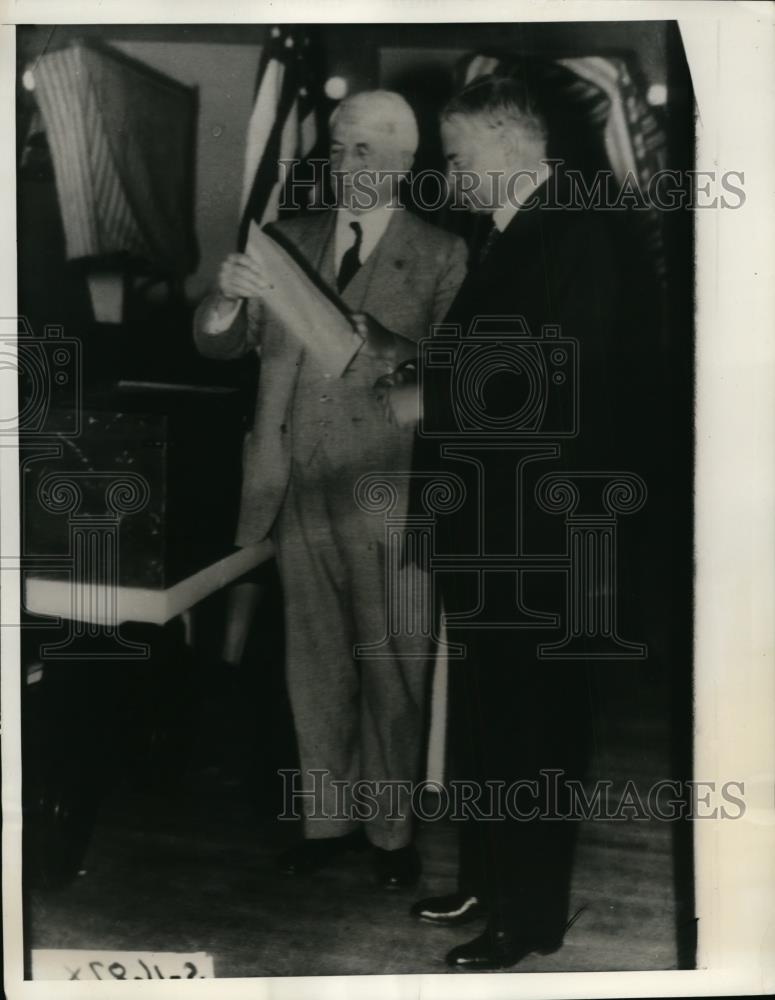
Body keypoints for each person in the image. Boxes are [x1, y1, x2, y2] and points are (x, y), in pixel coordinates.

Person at [378, 75, 658, 967]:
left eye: (457, 157)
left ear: (507, 143)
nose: (449, 176)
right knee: (490, 719)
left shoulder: (577, 228)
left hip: (540, 534)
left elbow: (567, 383)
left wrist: (434, 396)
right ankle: (489, 882)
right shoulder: (513, 233)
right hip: (494, 526)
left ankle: (527, 920)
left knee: (531, 725)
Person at [193, 90, 467, 889]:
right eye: (338, 150)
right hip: (293, 485)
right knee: (312, 664)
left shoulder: (444, 253)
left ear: (403, 165)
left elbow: (458, 375)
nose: (344, 167)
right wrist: (225, 299)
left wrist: (388, 347)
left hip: (391, 491)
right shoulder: (286, 238)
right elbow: (215, 347)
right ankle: (328, 822)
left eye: (363, 153)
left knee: (392, 668)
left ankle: (391, 834)